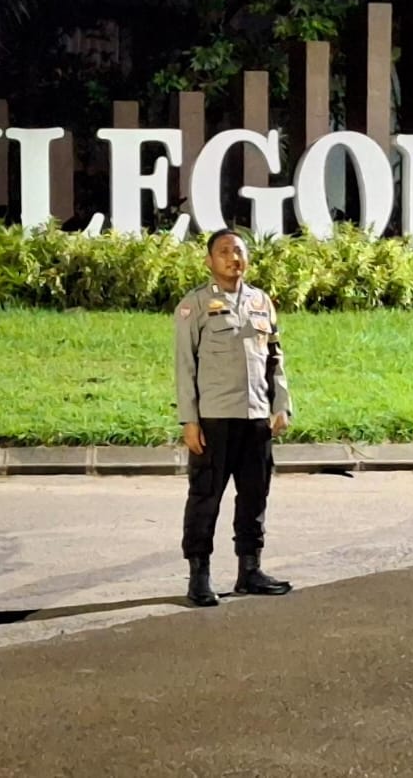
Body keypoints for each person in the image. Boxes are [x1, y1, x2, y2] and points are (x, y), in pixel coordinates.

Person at [173, 228, 294, 608]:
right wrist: (189, 420)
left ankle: (250, 570)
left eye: (238, 251)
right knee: (205, 497)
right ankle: (199, 576)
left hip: (255, 416)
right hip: (215, 419)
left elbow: (275, 358)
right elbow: (184, 366)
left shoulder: (260, 302)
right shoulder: (194, 305)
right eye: (224, 252)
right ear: (209, 261)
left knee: (255, 495)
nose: (233, 258)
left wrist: (281, 404)